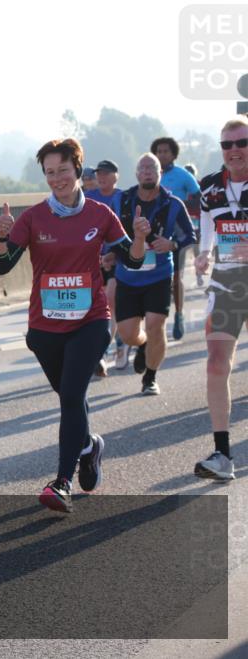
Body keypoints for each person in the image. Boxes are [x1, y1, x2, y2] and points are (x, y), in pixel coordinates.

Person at [0, 138, 149, 513]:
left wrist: (140, 237)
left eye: (63, 170)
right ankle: (90, 446)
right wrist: (1, 236)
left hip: (91, 319)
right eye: (49, 172)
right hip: (44, 326)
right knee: (69, 397)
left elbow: (133, 260)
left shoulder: (99, 215)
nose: (57, 178)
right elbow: (0, 266)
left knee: (73, 395)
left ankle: (61, 481)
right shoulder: (32, 218)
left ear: (78, 169)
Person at [193, 116, 248, 481]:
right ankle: (222, 455)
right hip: (227, 284)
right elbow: (209, 231)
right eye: (226, 145)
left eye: (240, 142)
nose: (233, 151)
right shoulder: (210, 188)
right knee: (216, 364)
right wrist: (204, 254)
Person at [113, 154, 195, 395]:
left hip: (159, 275)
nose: (148, 171)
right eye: (143, 168)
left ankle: (150, 377)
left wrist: (171, 245)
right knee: (128, 334)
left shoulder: (173, 204)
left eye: (153, 168)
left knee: (155, 324)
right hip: (127, 276)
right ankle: (143, 344)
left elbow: (189, 237)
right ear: (137, 174)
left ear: (160, 174)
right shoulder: (122, 200)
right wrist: (108, 253)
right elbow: (109, 232)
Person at [151, 137, 203, 340]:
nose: (162, 154)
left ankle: (179, 314)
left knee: (175, 277)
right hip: (155, 233)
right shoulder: (150, 175)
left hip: (177, 232)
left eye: (166, 151)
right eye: (158, 151)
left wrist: (184, 210)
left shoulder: (183, 175)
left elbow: (199, 197)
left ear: (173, 154)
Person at [85, 159, 125, 374]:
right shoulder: (89, 198)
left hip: (116, 258)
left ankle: (103, 351)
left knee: (110, 300)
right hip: (92, 259)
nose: (101, 177)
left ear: (116, 176)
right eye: (99, 173)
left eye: (107, 173)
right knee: (92, 308)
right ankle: (113, 341)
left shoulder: (123, 198)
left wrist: (116, 252)